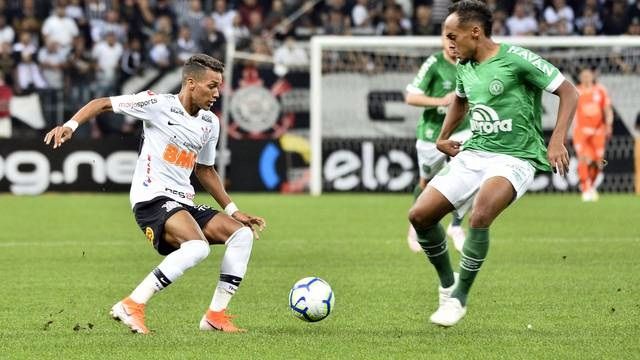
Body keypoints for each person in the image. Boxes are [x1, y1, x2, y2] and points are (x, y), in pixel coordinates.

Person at [44, 54, 266, 334]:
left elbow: (205, 170)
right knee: (197, 248)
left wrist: (233, 211)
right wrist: (70, 127)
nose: (217, 93)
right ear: (190, 83)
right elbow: (101, 104)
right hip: (152, 199)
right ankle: (132, 304)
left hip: (182, 202)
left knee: (241, 234)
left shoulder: (210, 123)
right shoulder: (158, 105)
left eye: (219, 87)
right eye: (212, 86)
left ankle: (215, 316)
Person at [408, 0, 578, 327]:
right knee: (419, 215)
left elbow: (568, 92)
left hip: (516, 156)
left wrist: (557, 139)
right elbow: (460, 99)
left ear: (475, 32)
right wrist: (444, 136)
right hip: (475, 152)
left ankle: (459, 299)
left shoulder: (516, 59)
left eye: (453, 36)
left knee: (481, 212)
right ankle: (447, 285)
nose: (449, 44)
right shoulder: (464, 65)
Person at [404, 33, 471, 254]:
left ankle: (456, 226)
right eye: (447, 38)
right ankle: (415, 227)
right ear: (442, 40)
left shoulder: (470, 61)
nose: (452, 43)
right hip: (432, 133)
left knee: (471, 177)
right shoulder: (434, 63)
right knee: (425, 181)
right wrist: (441, 100)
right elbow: (411, 97)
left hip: (462, 130)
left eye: (455, 38)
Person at [573, 67, 613, 202]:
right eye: (583, 76)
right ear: (580, 78)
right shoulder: (576, 91)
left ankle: (591, 185)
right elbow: (570, 111)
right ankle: (585, 187)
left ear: (592, 76)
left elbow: (607, 109)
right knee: (583, 158)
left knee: (598, 162)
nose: (586, 78)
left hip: (598, 131)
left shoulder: (600, 90)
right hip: (581, 131)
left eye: (588, 75)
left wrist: (609, 124)